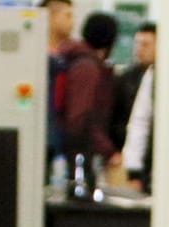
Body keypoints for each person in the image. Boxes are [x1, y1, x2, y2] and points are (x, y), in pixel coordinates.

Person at [55, 12, 119, 182]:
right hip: (79, 155)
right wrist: (107, 149)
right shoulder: (87, 68)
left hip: (73, 151)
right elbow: (80, 116)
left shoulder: (76, 60)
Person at [110, 22, 156, 166]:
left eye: (146, 44)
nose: (139, 49)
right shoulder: (124, 79)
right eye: (137, 43)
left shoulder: (162, 79)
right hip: (129, 149)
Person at [41, 0, 76, 168]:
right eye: (68, 15)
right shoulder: (37, 59)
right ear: (51, 17)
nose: (73, 22)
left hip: (60, 139)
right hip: (44, 138)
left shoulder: (69, 58)